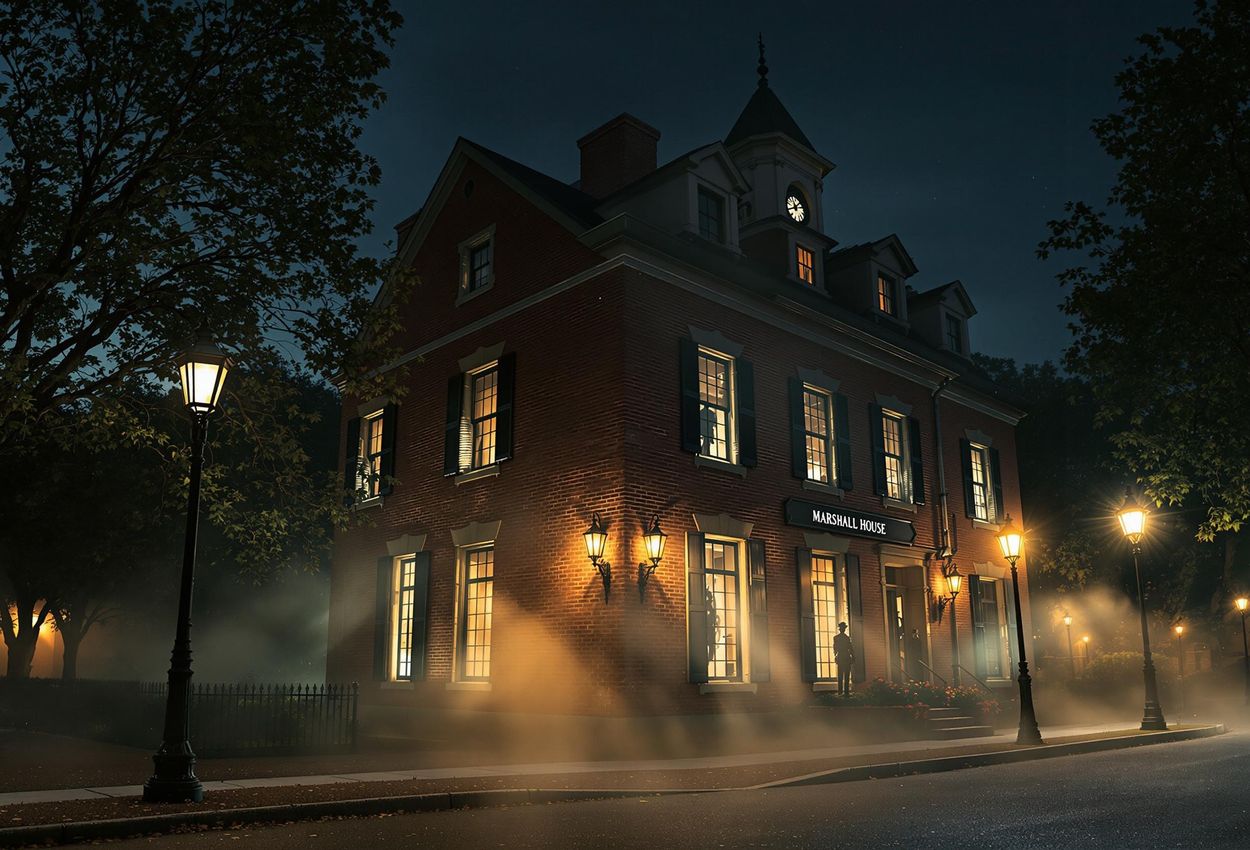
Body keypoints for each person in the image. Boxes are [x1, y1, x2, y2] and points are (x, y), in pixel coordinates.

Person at [833, 622, 854, 696]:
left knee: (843, 675)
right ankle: (844, 692)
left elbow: (835, 648)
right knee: (843, 676)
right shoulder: (846, 638)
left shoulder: (840, 638)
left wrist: (836, 655)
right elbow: (850, 648)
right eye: (843, 628)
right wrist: (853, 657)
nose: (843, 629)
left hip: (843, 657)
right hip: (844, 657)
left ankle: (843, 692)